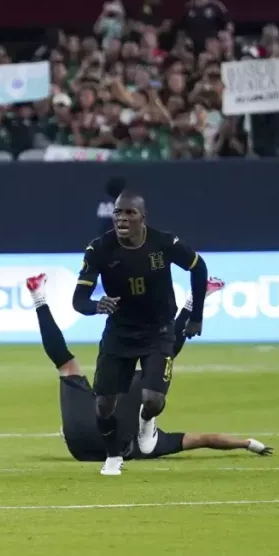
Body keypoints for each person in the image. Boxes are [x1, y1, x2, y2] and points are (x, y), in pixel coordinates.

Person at [28, 273, 271, 462]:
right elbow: (206, 439)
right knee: (73, 365)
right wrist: (247, 444)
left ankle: (39, 297)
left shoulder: (159, 443)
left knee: (152, 363)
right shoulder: (158, 446)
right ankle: (38, 298)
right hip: (79, 444)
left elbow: (204, 439)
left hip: (90, 434)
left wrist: (248, 443)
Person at [72, 191, 208, 476]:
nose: (122, 218)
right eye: (118, 213)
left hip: (159, 332)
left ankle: (147, 420)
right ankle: (112, 456)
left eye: (129, 213)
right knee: (104, 405)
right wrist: (97, 306)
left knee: (153, 400)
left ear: (142, 217)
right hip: (119, 334)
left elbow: (199, 267)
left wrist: (196, 317)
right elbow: (79, 300)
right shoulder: (99, 249)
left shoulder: (163, 243)